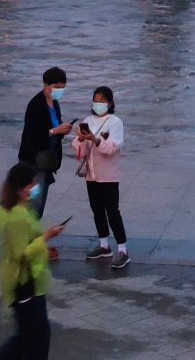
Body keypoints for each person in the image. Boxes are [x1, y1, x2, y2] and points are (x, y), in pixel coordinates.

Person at [0, 161, 65, 360]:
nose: (35, 187)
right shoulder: (17, 216)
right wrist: (47, 236)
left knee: (29, 337)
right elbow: (21, 253)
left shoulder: (17, 209)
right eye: (31, 184)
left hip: (27, 282)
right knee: (33, 338)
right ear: (21, 189)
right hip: (25, 284)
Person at [71, 85, 128, 269]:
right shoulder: (88, 120)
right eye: (95, 101)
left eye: (102, 101)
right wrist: (80, 139)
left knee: (112, 211)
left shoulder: (115, 122)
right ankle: (104, 245)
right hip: (91, 175)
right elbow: (78, 148)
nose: (98, 104)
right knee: (97, 209)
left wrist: (95, 140)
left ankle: (123, 249)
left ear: (110, 103)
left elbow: (113, 148)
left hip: (108, 175)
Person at [18, 67, 71, 226]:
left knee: (39, 202)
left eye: (62, 87)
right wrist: (55, 130)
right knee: (33, 201)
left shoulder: (54, 103)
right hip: (33, 161)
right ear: (46, 85)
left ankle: (33, 237)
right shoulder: (36, 104)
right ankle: (27, 238)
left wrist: (62, 130)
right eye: (56, 87)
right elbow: (32, 133)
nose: (59, 90)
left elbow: (54, 128)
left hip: (47, 160)